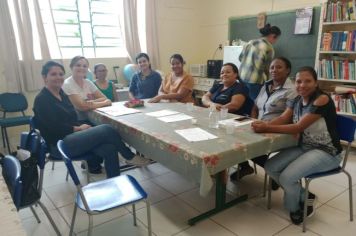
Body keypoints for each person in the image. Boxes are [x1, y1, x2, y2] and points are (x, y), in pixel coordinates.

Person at [251, 66, 342, 225]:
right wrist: (264, 124)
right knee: (271, 166)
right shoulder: (297, 99)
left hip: (327, 151)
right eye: (299, 81)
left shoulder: (322, 99)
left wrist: (267, 127)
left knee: (287, 178)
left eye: (308, 81)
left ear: (316, 83)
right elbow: (284, 118)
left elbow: (298, 127)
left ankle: (295, 208)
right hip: (305, 146)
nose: (302, 85)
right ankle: (306, 195)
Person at [33, 61, 150, 176]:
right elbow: (54, 128)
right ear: (45, 77)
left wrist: (80, 127)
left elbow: (70, 118)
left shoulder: (61, 94)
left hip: (70, 136)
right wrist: (78, 129)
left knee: (110, 148)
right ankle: (128, 156)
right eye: (53, 74)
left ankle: (115, 183)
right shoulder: (42, 99)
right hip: (58, 144)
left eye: (60, 74)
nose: (58, 77)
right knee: (107, 129)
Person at [231, 57, 297, 183]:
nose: (274, 70)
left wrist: (265, 126)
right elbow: (255, 107)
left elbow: (286, 117)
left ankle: (276, 174)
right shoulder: (266, 85)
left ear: (287, 70)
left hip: (277, 130)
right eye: (272, 67)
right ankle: (246, 167)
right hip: (259, 126)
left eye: (279, 67)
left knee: (244, 146)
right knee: (234, 137)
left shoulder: (292, 90)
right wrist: (253, 121)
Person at [62, 56, 111, 123]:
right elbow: (82, 107)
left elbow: (104, 97)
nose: (81, 68)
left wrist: (92, 102)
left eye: (85, 66)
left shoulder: (88, 82)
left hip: (91, 118)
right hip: (77, 122)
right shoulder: (67, 84)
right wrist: (105, 103)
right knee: (108, 129)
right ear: (71, 67)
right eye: (78, 65)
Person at [239, 24, 281, 100]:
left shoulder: (250, 42)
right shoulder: (269, 48)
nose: (275, 42)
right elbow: (268, 69)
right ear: (273, 36)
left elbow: (240, 58)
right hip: (255, 81)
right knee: (257, 105)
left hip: (242, 78)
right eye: (276, 39)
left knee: (245, 103)